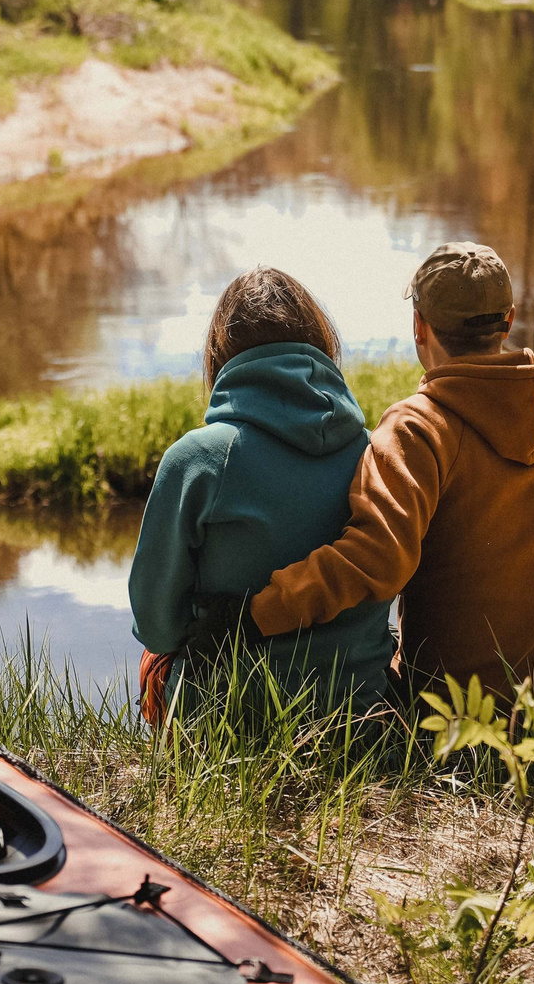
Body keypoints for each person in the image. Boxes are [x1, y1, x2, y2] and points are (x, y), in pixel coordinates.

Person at [245, 242, 534, 700]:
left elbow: (376, 558)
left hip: (458, 717)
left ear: (419, 326)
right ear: (507, 321)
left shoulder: (418, 428)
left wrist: (262, 610)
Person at [127, 268, 396, 725]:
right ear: (322, 344)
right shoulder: (376, 455)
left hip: (227, 728)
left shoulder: (198, 459)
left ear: (219, 355)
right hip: (361, 724)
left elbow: (156, 626)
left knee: (154, 662)